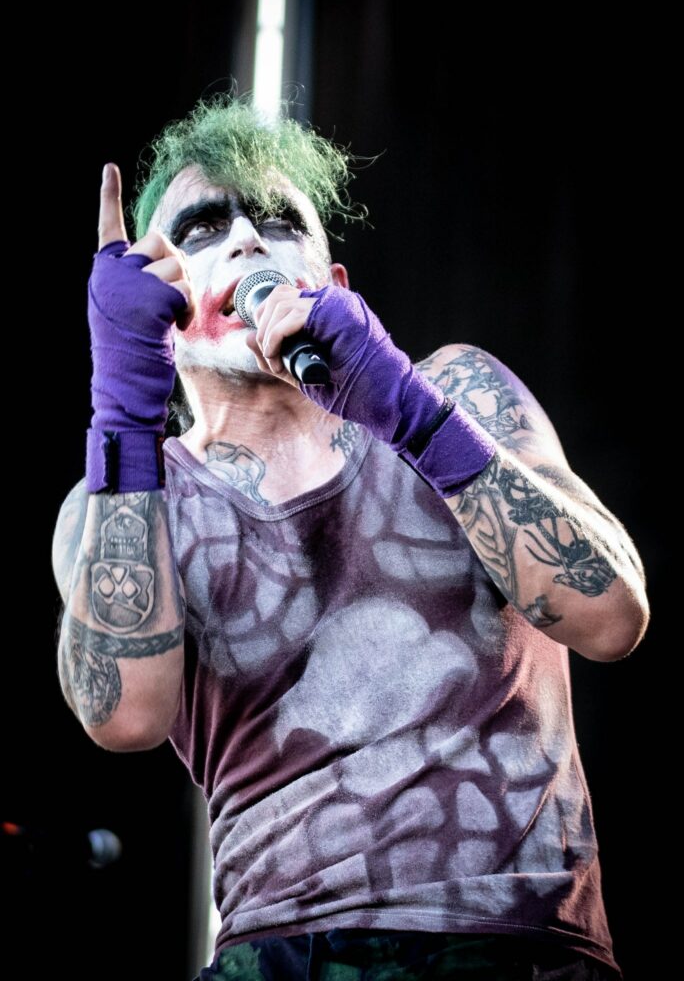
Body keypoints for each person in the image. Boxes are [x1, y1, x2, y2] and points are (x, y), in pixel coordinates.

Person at [52, 93, 649, 981]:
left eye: (279, 222)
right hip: (278, 951)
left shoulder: (460, 393)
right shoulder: (126, 497)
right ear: (160, 304)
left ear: (330, 282)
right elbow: (124, 715)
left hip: (515, 941)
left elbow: (611, 616)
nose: (247, 240)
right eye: (206, 227)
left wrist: (407, 408)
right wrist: (121, 412)